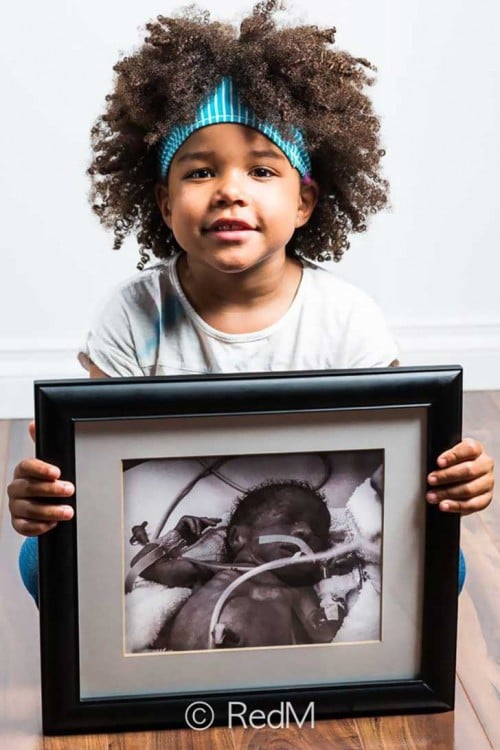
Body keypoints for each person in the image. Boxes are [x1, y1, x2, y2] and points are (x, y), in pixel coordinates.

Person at [7, 1, 494, 603]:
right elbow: (107, 471)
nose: (230, 191)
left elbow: (389, 458)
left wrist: (451, 480)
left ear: (305, 203)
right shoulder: (135, 314)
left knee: (449, 568)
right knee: (41, 558)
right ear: (163, 203)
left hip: (305, 528)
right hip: (182, 520)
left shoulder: (345, 318)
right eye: (200, 172)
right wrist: (54, 489)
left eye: (262, 171)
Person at [127, 480, 348, 651]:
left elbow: (324, 632)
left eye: (317, 531)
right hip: (187, 674)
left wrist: (334, 593)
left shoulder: (299, 592)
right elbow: (146, 567)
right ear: (237, 538)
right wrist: (176, 538)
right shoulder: (213, 571)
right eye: (288, 520)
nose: (305, 532)